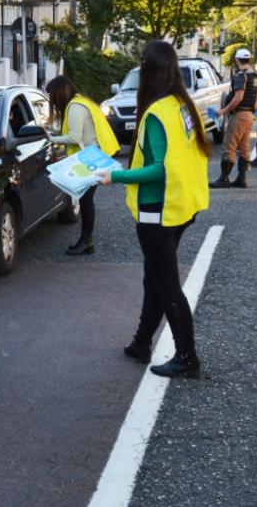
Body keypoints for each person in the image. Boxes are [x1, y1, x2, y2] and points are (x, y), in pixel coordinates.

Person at [95, 41, 209, 379]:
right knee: (155, 278)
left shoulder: (157, 112)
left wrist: (115, 176)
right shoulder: (182, 105)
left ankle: (187, 357)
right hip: (181, 205)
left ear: (147, 69)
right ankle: (142, 342)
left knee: (166, 284)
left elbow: (159, 169)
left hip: (157, 210)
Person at [45, 75, 121, 255]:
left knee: (86, 201)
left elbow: (74, 137)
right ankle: (87, 240)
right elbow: (74, 130)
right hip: (93, 157)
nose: (52, 100)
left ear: (59, 93)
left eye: (52, 95)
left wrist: (51, 139)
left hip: (89, 160)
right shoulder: (80, 102)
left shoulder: (75, 107)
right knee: (86, 200)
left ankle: (86, 240)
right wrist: (53, 131)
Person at [211, 47, 257, 188]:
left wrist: (224, 111)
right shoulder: (256, 76)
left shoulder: (241, 75)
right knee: (244, 147)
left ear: (237, 60)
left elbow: (238, 97)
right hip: (249, 115)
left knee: (229, 146)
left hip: (239, 115)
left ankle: (224, 178)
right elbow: (256, 96)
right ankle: (241, 178)